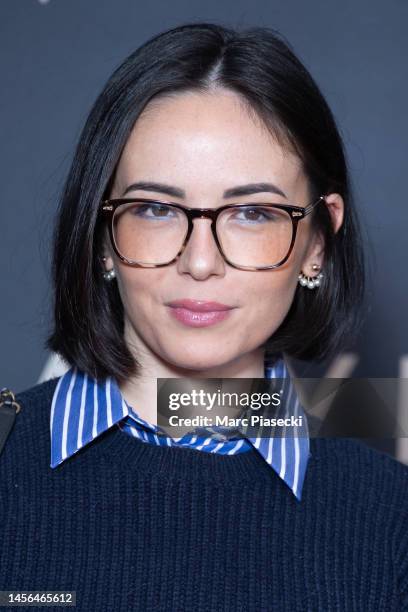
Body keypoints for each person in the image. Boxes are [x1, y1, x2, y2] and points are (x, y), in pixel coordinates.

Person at [1, 22, 407, 611]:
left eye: (252, 214)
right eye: (157, 208)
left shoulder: (390, 518)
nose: (200, 261)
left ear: (317, 243)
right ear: (101, 234)